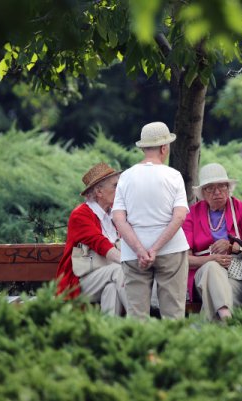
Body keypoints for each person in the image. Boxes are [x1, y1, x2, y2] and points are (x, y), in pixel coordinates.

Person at [112, 122, 190, 319]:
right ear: (164, 148)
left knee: (136, 316)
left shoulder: (125, 177)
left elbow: (118, 218)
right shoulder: (173, 175)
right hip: (171, 248)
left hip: (133, 252)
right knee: (173, 314)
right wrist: (155, 249)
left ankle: (140, 350)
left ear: (143, 147)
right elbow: (179, 216)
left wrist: (140, 249)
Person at [183, 163, 242, 320]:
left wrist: (234, 248)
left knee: (216, 293)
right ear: (202, 192)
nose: (217, 192)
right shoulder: (191, 214)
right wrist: (211, 259)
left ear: (229, 188)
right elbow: (184, 259)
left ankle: (220, 321)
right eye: (210, 188)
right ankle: (228, 322)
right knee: (212, 268)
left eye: (222, 186)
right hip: (203, 271)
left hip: (238, 274)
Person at [56, 162, 127, 316]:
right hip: (79, 282)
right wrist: (130, 262)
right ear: (99, 191)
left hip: (105, 277)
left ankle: (109, 335)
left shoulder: (112, 215)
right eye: (115, 186)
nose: (120, 189)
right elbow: (100, 243)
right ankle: (141, 320)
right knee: (119, 270)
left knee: (112, 289)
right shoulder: (81, 214)